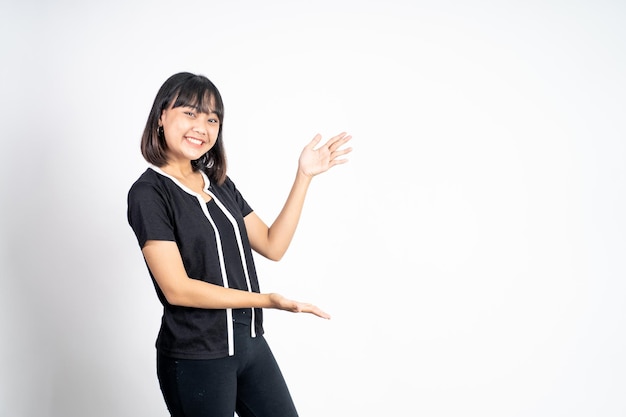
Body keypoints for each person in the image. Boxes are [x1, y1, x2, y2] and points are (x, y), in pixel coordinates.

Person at [126, 72, 352, 417]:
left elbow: (272, 245)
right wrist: (267, 300)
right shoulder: (149, 193)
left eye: (212, 118)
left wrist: (303, 176)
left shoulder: (218, 182)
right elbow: (177, 289)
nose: (201, 126)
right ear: (161, 116)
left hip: (249, 345)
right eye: (189, 113)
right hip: (195, 356)